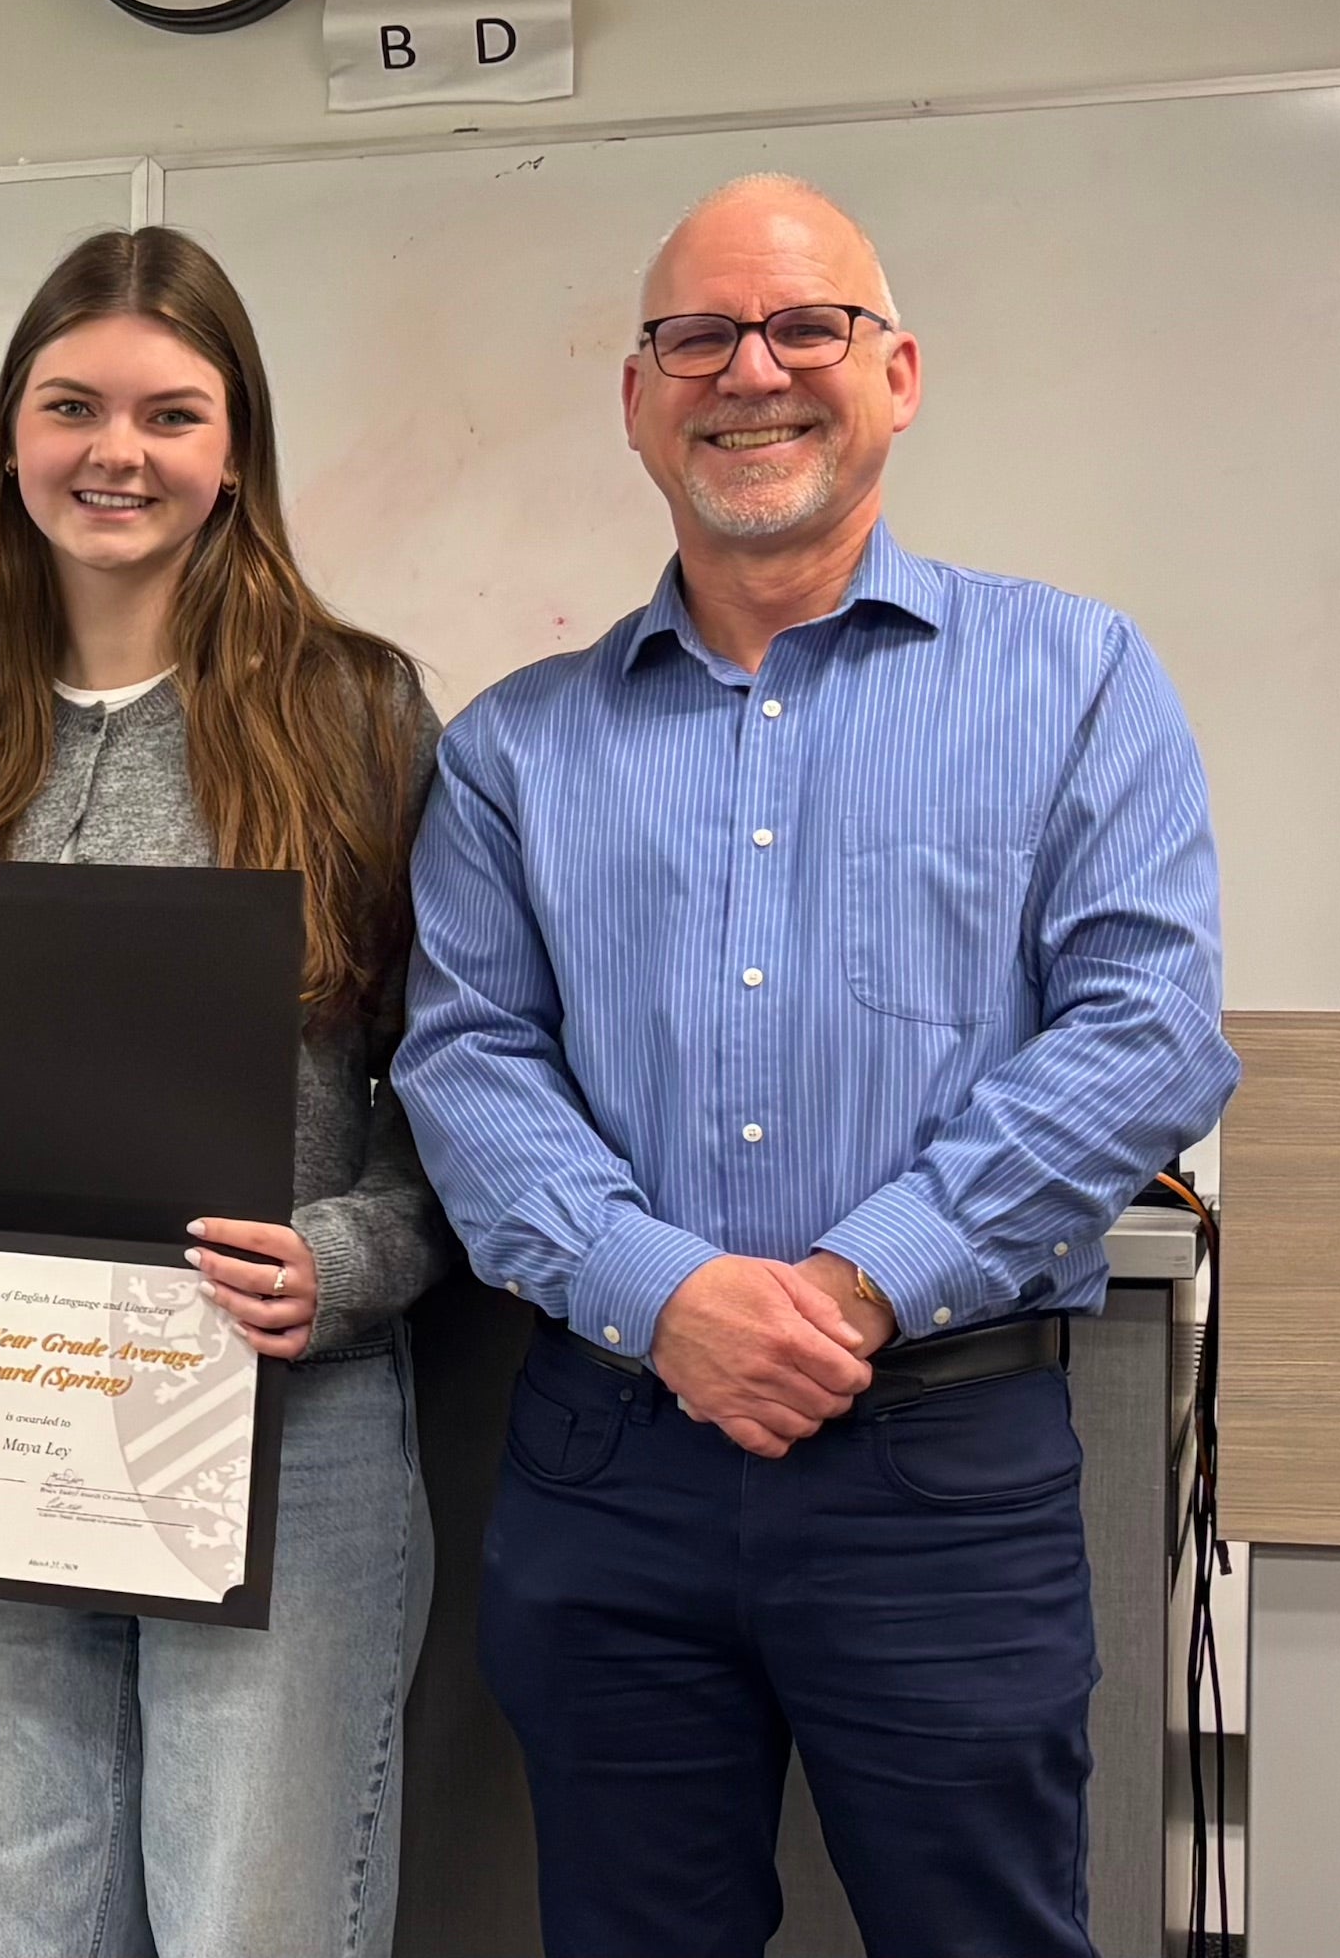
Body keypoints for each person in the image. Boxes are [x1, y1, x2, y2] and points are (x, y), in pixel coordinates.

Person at [389, 174, 1239, 1957]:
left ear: (898, 371)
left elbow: (1145, 1029)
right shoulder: (510, 751)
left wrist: (858, 1286)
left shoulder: (1074, 676)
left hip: (938, 1463)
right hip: (606, 1461)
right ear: (636, 399)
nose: (748, 370)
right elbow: (468, 1065)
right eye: (694, 334)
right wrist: (664, 1293)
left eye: (804, 327)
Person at [0, 226, 451, 1958]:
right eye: (69, 406)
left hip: (280, 1432)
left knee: (256, 1931)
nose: (113, 452)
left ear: (234, 453)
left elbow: (462, 1100)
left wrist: (342, 1262)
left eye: (168, 412)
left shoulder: (360, 717)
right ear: (11, 441)